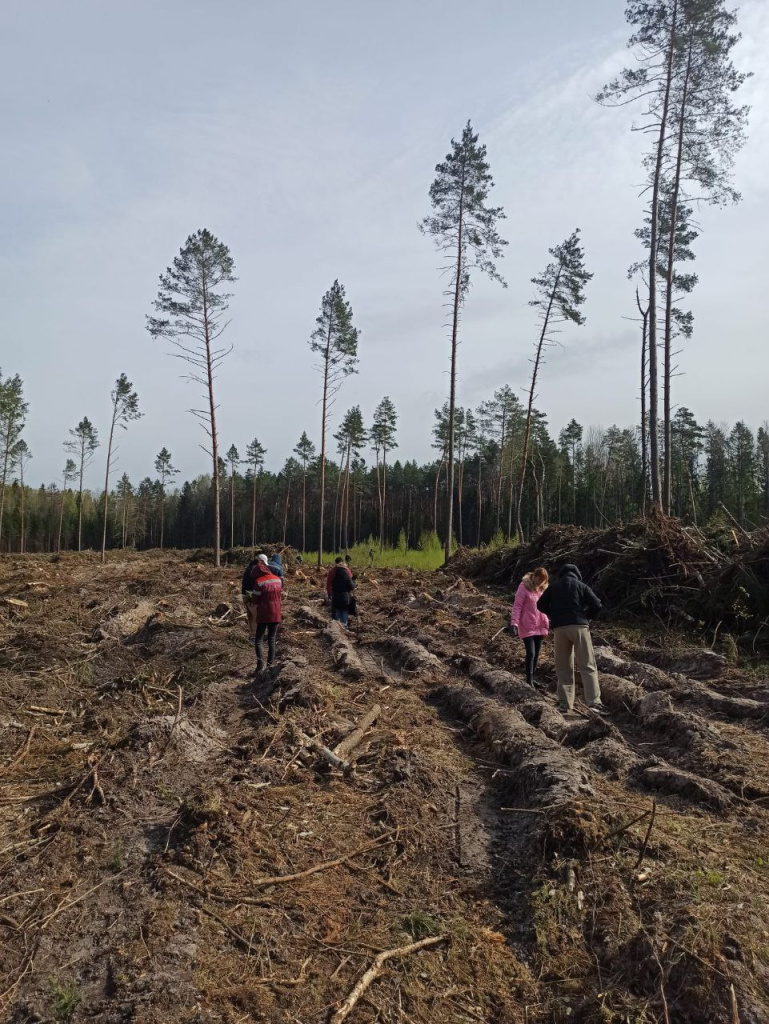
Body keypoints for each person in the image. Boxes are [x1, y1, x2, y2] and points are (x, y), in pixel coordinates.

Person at [537, 564, 608, 716]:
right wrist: (586, 617)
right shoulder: (580, 585)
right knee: (587, 665)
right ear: (576, 574)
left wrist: (554, 615)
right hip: (579, 627)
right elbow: (597, 604)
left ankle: (564, 703)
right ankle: (594, 702)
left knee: (563, 667)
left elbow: (540, 604)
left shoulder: (554, 587)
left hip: (560, 629)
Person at [509, 567, 550, 688]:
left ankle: (533, 677)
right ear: (534, 576)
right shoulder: (523, 587)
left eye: (542, 581)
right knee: (531, 653)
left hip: (540, 624)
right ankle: (528, 680)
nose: (540, 583)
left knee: (537, 653)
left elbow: (546, 606)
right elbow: (517, 606)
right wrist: (514, 623)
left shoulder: (542, 590)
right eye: (538, 580)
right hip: (527, 625)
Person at [241, 553, 283, 671]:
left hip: (264, 613)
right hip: (276, 612)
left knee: (259, 640)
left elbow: (255, 599)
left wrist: (252, 598)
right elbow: (279, 595)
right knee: (271, 638)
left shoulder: (259, 582)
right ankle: (270, 665)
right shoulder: (278, 580)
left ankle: (260, 665)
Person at [327, 556, 355, 627]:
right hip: (345, 596)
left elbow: (329, 583)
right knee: (344, 613)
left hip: (335, 596)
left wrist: (329, 593)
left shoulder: (333, 571)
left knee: (337, 613)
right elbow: (351, 586)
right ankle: (345, 629)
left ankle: (336, 628)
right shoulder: (347, 572)